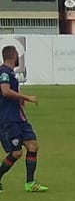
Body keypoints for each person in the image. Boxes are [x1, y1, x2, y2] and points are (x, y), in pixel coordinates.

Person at [0, 44, 46, 192]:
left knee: (33, 146)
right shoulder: (4, 72)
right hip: (8, 119)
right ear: (13, 56)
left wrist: (20, 101)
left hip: (19, 118)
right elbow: (5, 91)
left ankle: (30, 183)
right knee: (16, 153)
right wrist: (26, 97)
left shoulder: (10, 74)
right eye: (17, 55)